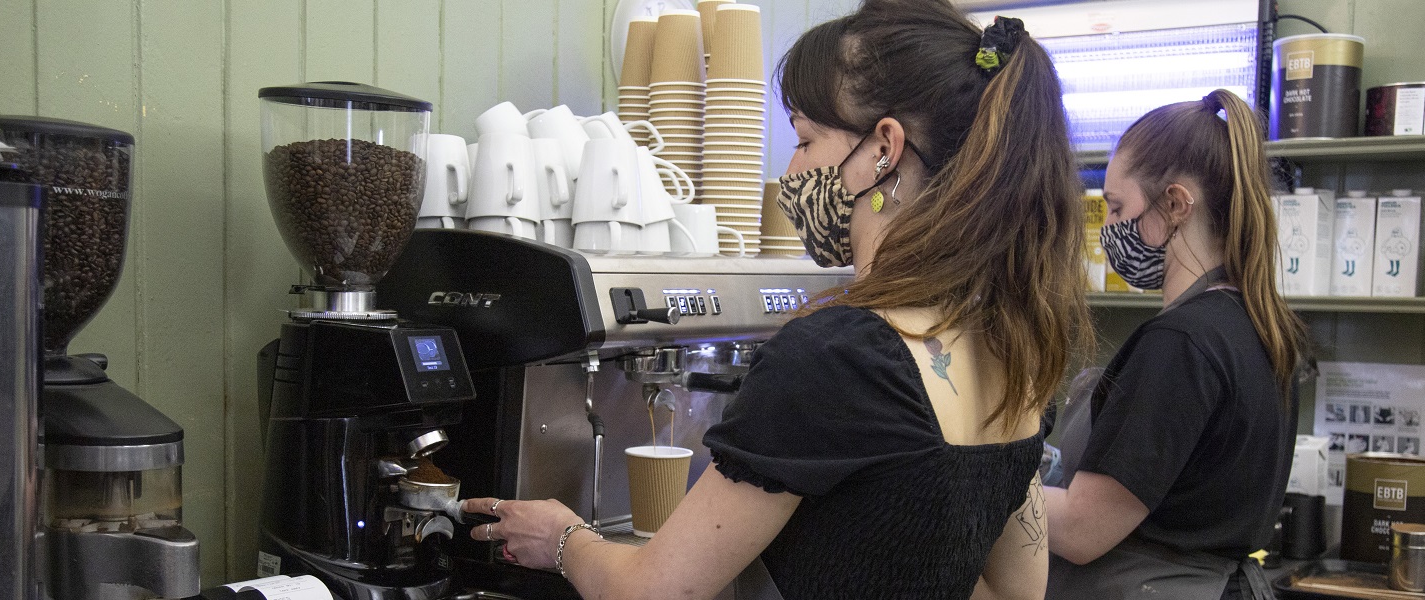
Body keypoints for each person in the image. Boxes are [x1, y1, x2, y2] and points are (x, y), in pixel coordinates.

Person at [457, 1, 1091, 598]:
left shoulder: (838, 355)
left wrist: (562, 538)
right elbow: (1015, 589)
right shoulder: (1008, 342)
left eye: (806, 140)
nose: (790, 175)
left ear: (882, 151)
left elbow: (654, 589)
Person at [1043, 90, 1310, 600]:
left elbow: (1082, 530)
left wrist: (975, 489)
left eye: (1118, 207)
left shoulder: (1182, 343)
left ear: (1176, 203)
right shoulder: (1258, 326)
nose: (1110, 229)